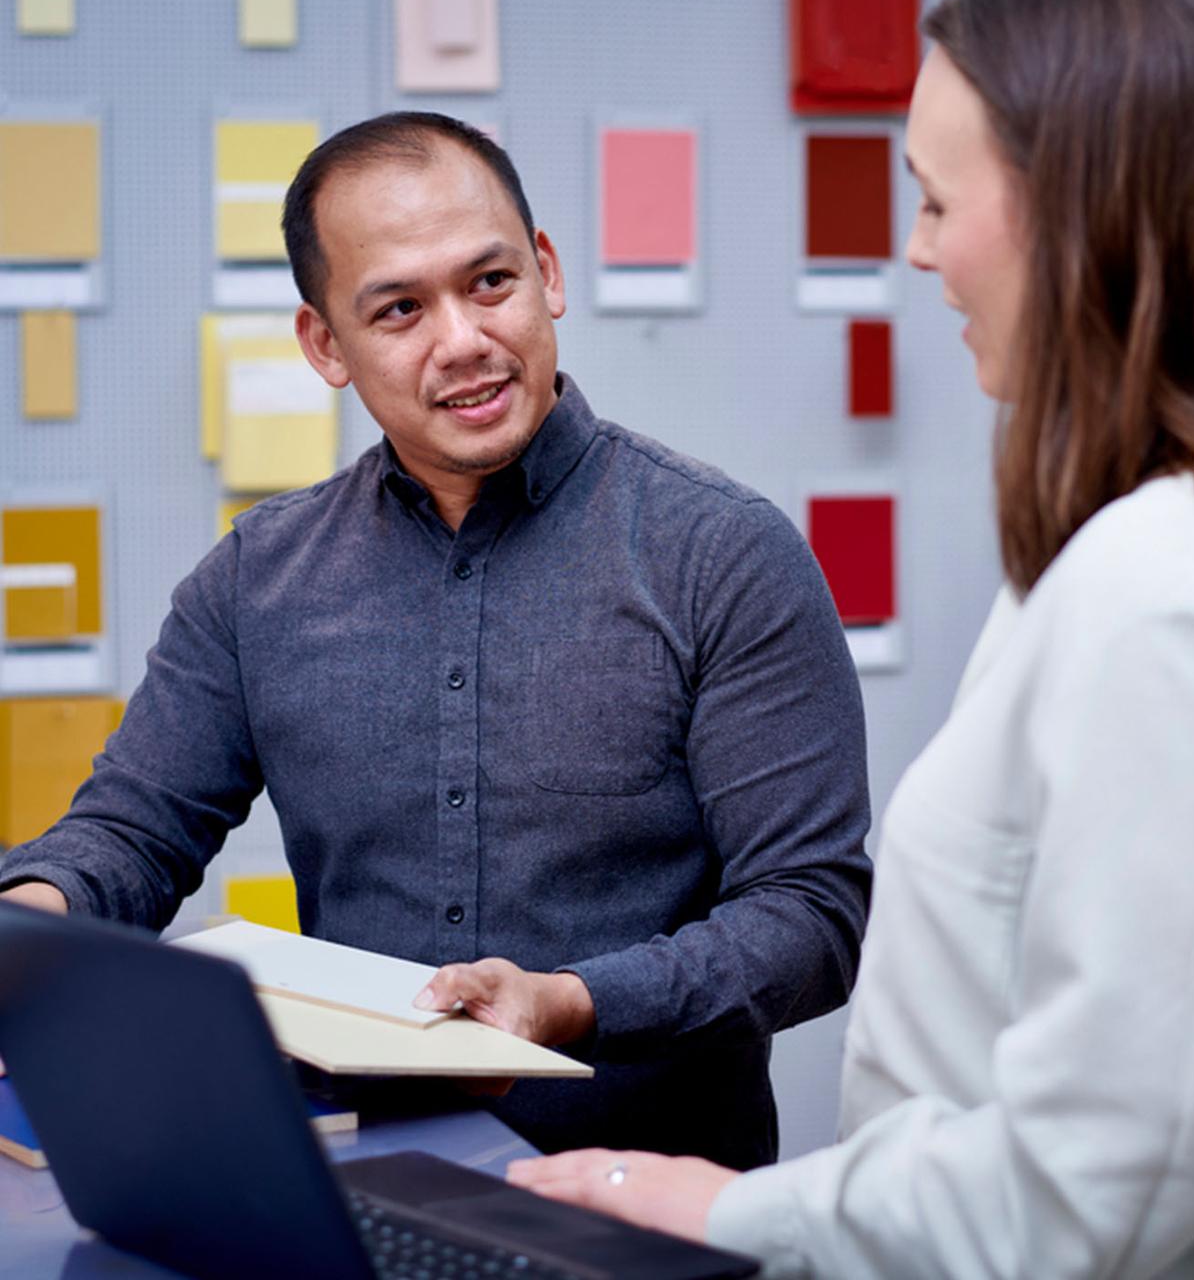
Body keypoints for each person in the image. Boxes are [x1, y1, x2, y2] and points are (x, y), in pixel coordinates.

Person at [508, 0, 1194, 1277]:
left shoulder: (1175, 595)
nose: (916, 250)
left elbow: (1123, 1160)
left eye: (933, 199)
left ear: (1083, 213)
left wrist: (724, 1209)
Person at [0, 112, 873, 1168]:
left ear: (547, 271)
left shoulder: (722, 553)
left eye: (490, 281)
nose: (461, 338)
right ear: (326, 343)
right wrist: (26, 933)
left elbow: (810, 915)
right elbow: (130, 835)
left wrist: (575, 1001)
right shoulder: (254, 578)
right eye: (400, 308)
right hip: (358, 1189)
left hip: (647, 1204)